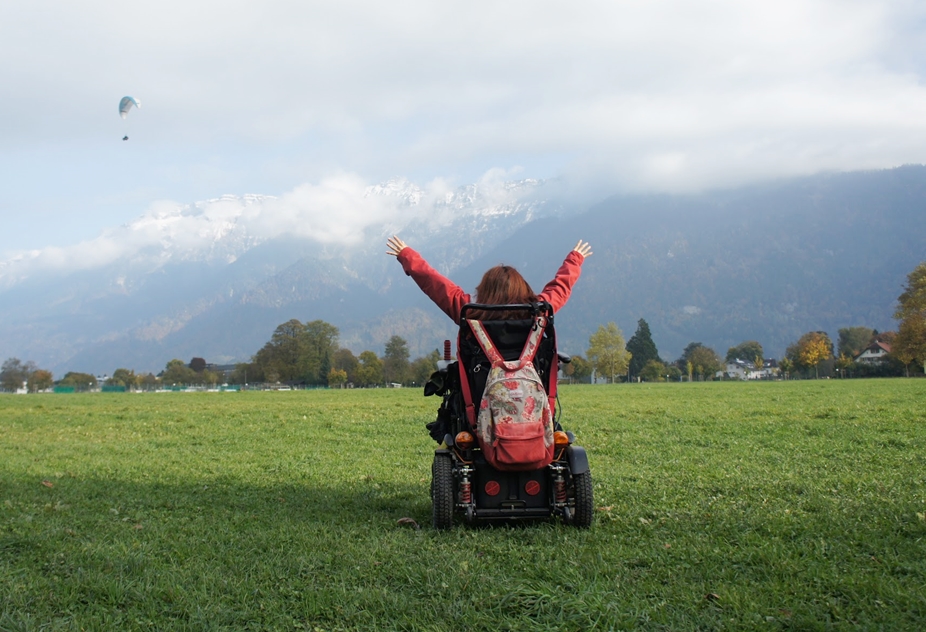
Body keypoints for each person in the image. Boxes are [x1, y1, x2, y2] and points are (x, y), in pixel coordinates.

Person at [386, 235, 592, 322]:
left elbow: (437, 285)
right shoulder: (537, 313)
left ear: (485, 289)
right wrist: (574, 260)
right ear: (523, 289)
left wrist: (408, 256)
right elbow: (560, 288)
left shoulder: (472, 313)